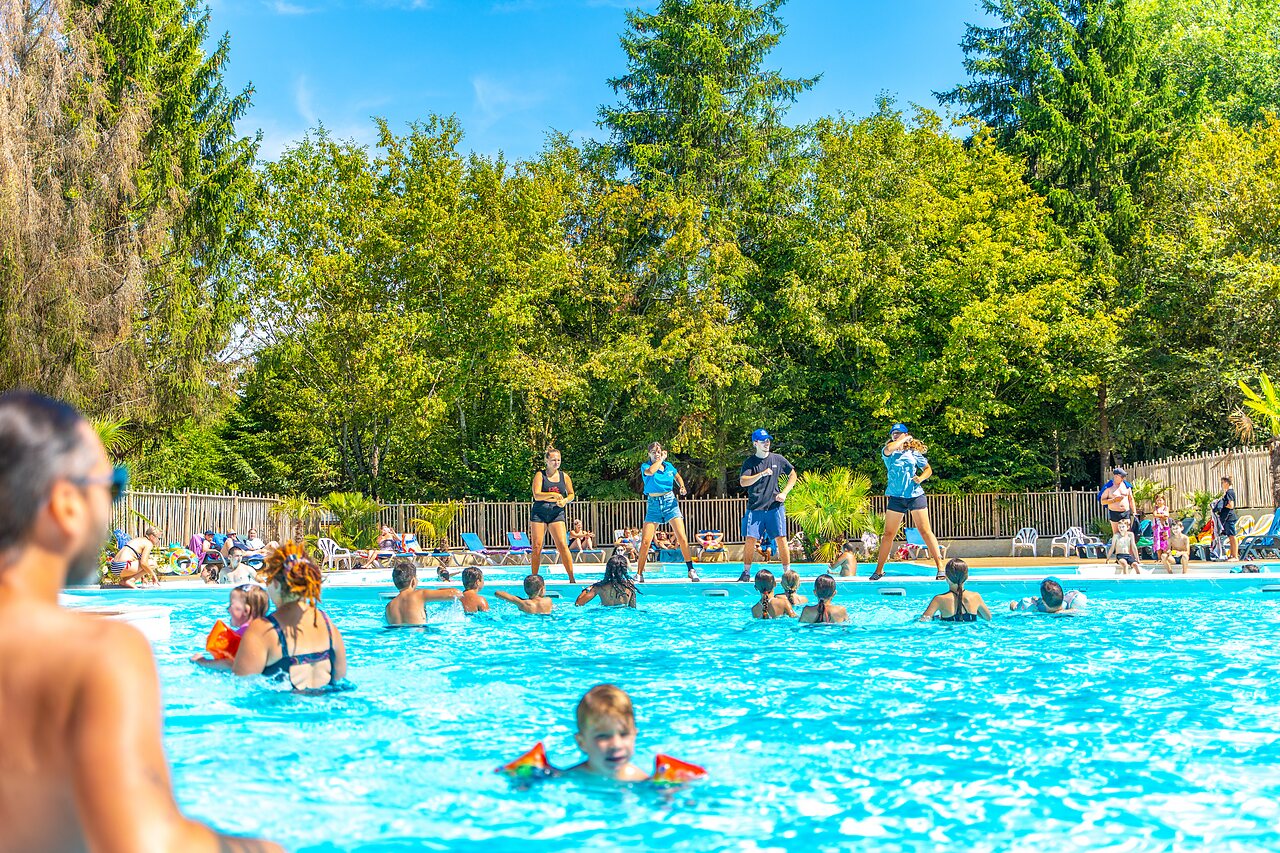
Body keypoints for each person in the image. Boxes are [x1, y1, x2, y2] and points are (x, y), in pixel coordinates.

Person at [0, 390, 282, 851]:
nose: (112, 502)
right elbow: (150, 844)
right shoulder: (96, 654)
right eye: (113, 485)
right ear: (66, 504)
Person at [232, 542, 348, 691]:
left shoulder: (263, 629)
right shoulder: (327, 624)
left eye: (269, 579)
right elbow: (340, 680)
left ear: (277, 585)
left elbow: (240, 687)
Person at [871, 424, 945, 581]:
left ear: (905, 434)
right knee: (888, 534)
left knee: (925, 531)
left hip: (915, 495)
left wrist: (921, 478)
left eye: (898, 433)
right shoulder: (888, 452)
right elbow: (892, 447)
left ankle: (940, 568)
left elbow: (928, 469)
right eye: (893, 433)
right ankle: (879, 570)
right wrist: (904, 438)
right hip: (896, 498)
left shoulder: (913, 453)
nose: (895, 435)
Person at [738, 429, 797, 584]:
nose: (767, 443)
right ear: (755, 443)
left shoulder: (778, 459)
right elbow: (743, 481)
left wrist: (785, 492)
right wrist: (761, 474)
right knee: (750, 539)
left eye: (768, 440)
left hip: (774, 507)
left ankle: (787, 572)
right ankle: (746, 572)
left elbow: (793, 475)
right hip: (755, 507)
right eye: (763, 441)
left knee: (781, 538)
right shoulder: (750, 462)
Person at [635, 442, 701, 582]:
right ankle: (639, 574)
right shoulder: (646, 466)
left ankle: (691, 570)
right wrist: (660, 460)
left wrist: (682, 486)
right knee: (646, 541)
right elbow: (651, 472)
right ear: (649, 454)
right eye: (653, 451)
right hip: (654, 505)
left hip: (670, 503)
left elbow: (677, 477)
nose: (656, 453)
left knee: (682, 537)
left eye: (658, 451)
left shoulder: (669, 466)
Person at [565, 684, 650, 782]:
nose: (616, 745)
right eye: (603, 736)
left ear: (634, 735)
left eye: (624, 734)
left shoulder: (641, 781)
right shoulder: (569, 778)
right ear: (581, 743)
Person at [191, 583, 272, 668]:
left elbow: (231, 664)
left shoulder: (243, 634)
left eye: (231, 605)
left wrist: (202, 661)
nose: (228, 609)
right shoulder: (268, 629)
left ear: (246, 611)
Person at [530, 446, 577, 583]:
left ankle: (571, 578)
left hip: (556, 512)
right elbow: (537, 495)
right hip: (540, 513)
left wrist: (565, 500)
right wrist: (553, 494)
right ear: (547, 460)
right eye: (553, 460)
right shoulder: (540, 475)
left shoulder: (564, 476)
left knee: (562, 544)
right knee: (537, 546)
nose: (556, 462)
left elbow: (571, 494)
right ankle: (534, 579)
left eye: (558, 460)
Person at [385, 559, 462, 625]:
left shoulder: (389, 606)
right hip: (418, 635)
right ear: (413, 581)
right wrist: (436, 592)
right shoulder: (420, 594)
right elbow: (456, 593)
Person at [919, 558, 992, 622]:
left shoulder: (939, 599)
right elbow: (988, 618)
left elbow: (924, 620)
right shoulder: (976, 597)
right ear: (966, 577)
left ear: (946, 577)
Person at [1009, 577, 1088, 613]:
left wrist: (1035, 602)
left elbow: (1013, 605)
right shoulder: (1072, 606)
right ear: (1063, 596)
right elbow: (1077, 611)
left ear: (1043, 600)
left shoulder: (1032, 608)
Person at [1099, 467, 1137, 537]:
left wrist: (1134, 512)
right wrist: (1114, 500)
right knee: (1116, 535)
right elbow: (1102, 502)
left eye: (1124, 476)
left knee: (1127, 534)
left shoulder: (1126, 486)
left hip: (1126, 512)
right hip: (1114, 513)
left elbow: (1131, 499)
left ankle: (1127, 548)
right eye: (1122, 476)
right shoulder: (1108, 487)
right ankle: (1117, 548)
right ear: (1116, 476)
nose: (1123, 478)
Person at [1215, 476, 1239, 560]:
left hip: (1230, 517)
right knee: (1230, 536)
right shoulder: (1229, 492)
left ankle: (1235, 556)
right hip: (1228, 517)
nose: (1222, 485)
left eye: (1222, 483)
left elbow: (1231, 505)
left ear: (1226, 483)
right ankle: (1232, 555)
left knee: (1232, 536)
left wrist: (1222, 505)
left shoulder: (1229, 492)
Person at [1151, 495, 1172, 566]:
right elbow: (1155, 515)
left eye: (1160, 500)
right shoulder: (1155, 508)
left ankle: (1165, 558)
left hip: (1165, 528)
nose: (1159, 502)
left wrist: (1159, 515)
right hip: (1157, 528)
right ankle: (1159, 558)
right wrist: (1162, 515)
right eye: (1157, 500)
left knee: (1165, 542)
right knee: (1158, 543)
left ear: (1164, 501)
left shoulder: (1166, 508)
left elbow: (1167, 516)